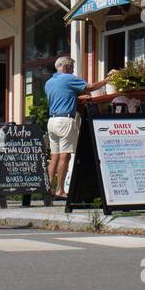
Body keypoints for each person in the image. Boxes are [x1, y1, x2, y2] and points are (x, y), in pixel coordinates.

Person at [43, 56, 92, 198]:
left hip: (52, 121)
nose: (73, 71)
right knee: (65, 156)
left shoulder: (49, 82)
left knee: (54, 157)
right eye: (72, 68)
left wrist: (76, 98)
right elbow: (89, 87)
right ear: (66, 67)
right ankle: (60, 190)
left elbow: (63, 96)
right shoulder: (68, 78)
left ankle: (47, 189)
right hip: (65, 120)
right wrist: (107, 80)